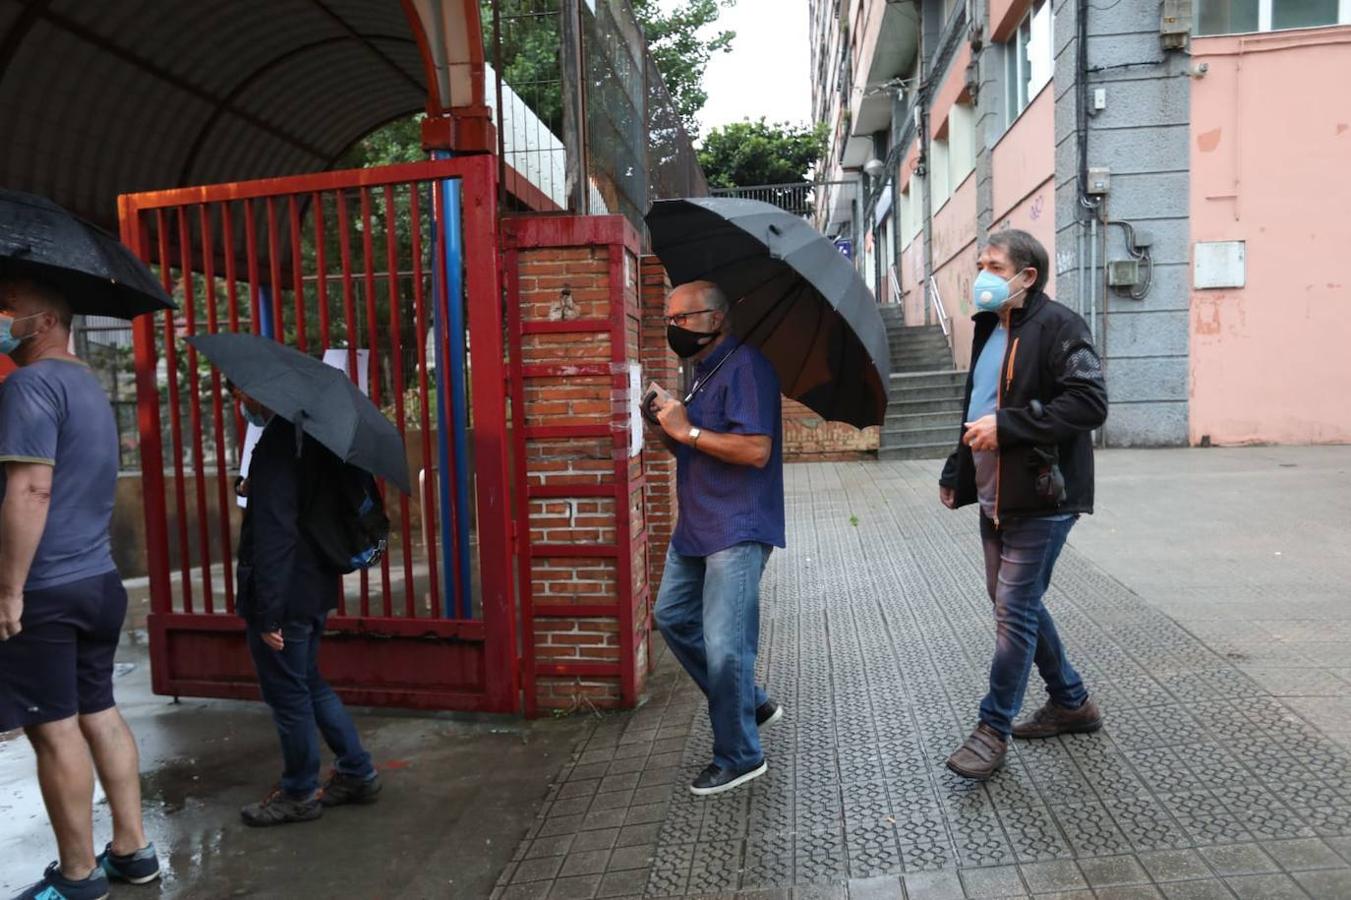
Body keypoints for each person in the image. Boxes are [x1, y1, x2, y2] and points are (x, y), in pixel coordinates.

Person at [0, 271, 161, 899]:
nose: (3, 316)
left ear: (44, 323)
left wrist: (10, 590)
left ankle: (76, 878)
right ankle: (132, 850)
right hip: (98, 581)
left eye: (9, 307)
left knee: (53, 727)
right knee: (99, 711)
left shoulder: (31, 385)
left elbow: (31, 489)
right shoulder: (87, 386)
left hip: (45, 588)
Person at [939, 230, 1108, 781]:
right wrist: (956, 470)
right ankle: (1071, 702)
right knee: (1018, 605)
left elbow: (1089, 402)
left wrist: (1009, 427)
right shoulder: (991, 326)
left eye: (992, 265)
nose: (981, 276)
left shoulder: (1060, 326)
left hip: (1043, 496)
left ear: (1026, 275)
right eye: (980, 264)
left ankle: (993, 728)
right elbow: (978, 406)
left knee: (1013, 611)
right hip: (995, 497)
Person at [650, 280, 786, 797]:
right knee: (672, 617)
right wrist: (668, 425)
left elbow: (755, 451)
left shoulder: (747, 366)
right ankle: (750, 703)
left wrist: (687, 432)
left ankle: (741, 754)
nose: (673, 327)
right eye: (669, 318)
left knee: (727, 647)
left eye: (683, 318)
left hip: (737, 526)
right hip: (696, 526)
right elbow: (695, 446)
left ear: (717, 318)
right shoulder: (702, 373)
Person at [230, 384, 383, 826]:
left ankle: (299, 791)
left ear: (264, 395)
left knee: (289, 694)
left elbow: (276, 534)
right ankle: (356, 770)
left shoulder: (278, 445)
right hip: (314, 585)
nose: (240, 402)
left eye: (242, 393)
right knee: (309, 682)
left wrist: (267, 611)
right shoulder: (316, 440)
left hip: (286, 593)